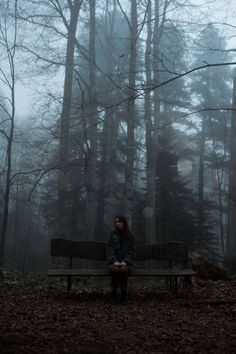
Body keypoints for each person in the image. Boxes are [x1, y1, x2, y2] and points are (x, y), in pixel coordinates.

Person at [106, 215, 136, 304]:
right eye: (116, 222)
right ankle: (113, 295)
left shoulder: (130, 236)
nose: (117, 224)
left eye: (119, 222)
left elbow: (132, 252)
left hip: (126, 264)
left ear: (124, 223)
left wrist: (125, 261)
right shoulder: (112, 235)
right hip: (114, 263)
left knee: (123, 270)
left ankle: (123, 295)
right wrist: (114, 261)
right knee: (115, 270)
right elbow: (109, 250)